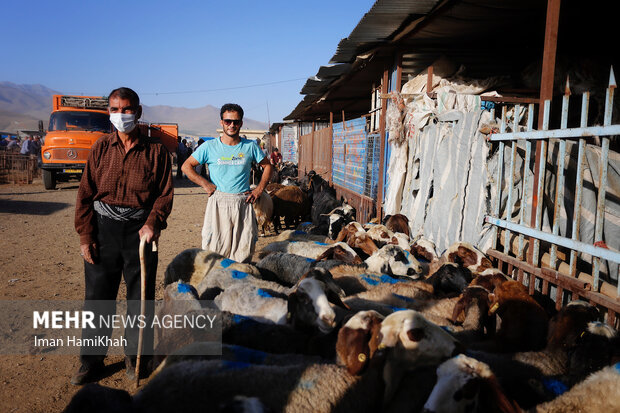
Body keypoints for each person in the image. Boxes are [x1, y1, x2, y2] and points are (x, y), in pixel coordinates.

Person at [72, 87, 173, 385]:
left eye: (127, 109)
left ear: (138, 112)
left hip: (140, 234)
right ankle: (90, 361)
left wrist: (153, 223)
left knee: (140, 300)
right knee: (97, 298)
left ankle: (135, 357)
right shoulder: (101, 147)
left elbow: (164, 196)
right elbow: (85, 194)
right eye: (115, 109)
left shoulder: (156, 152)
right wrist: (85, 234)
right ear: (109, 113)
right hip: (103, 230)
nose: (121, 115)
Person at [182, 103, 273, 262]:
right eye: (227, 121)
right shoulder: (209, 147)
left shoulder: (250, 147)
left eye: (236, 122)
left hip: (243, 202)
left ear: (241, 123)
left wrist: (258, 190)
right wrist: (205, 184)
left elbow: (267, 166)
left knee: (243, 251)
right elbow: (186, 166)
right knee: (215, 250)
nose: (232, 125)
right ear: (221, 122)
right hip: (218, 201)